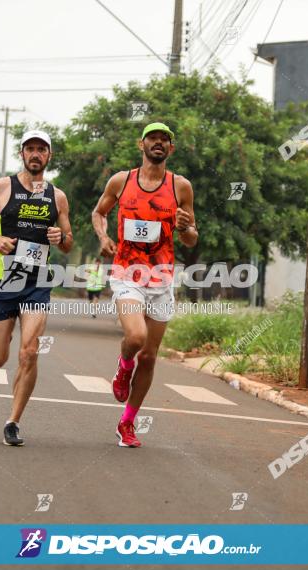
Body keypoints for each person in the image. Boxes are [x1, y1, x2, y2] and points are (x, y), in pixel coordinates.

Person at [91, 122, 197, 447]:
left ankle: (127, 423)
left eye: (165, 140)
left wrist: (185, 228)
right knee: (135, 337)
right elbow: (98, 212)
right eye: (153, 138)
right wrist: (104, 237)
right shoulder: (121, 181)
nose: (159, 143)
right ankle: (123, 368)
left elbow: (192, 238)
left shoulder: (181, 187)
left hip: (162, 279)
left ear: (171, 149)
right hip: (127, 274)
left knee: (150, 357)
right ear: (142, 144)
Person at [0, 130, 73, 446]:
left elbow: (68, 242)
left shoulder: (58, 197)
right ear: (22, 154)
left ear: (49, 156)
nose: (36, 154)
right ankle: (7, 327)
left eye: (42, 149)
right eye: (31, 149)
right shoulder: (2, 187)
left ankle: (13, 421)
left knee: (29, 351)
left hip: (36, 282)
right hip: (2, 279)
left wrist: (60, 239)